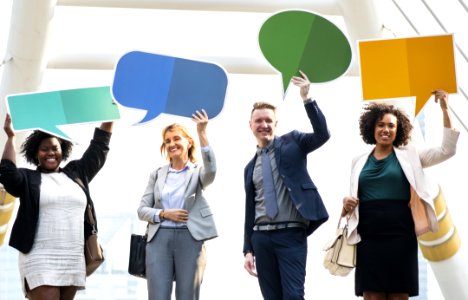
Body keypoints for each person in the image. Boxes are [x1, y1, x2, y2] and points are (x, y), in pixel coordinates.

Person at [342, 90, 459, 300]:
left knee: (398, 296)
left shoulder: (411, 155)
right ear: (372, 128)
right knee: (372, 296)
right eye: (381, 125)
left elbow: (447, 150)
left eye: (391, 126)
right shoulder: (358, 161)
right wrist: (346, 202)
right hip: (368, 235)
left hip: (400, 234)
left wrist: (444, 108)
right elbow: (354, 197)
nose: (385, 129)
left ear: (398, 130)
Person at [0, 113, 113, 300]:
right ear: (36, 154)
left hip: (71, 256)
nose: (50, 153)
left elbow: (99, 148)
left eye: (55, 148)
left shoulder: (77, 173)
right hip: (39, 257)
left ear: (63, 150)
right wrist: (11, 137)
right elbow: (7, 173)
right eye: (44, 149)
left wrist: (109, 116)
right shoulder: (29, 179)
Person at [243, 70, 331, 300]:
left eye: (268, 120)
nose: (264, 124)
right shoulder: (249, 167)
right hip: (261, 239)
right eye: (259, 120)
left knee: (293, 296)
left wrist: (307, 98)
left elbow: (322, 134)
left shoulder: (293, 142)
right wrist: (247, 249)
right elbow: (250, 210)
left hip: (291, 235)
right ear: (250, 125)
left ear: (275, 124)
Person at [137, 109, 216, 300]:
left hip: (190, 237)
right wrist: (164, 214)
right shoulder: (157, 174)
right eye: (167, 141)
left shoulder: (198, 172)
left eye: (176, 139)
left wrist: (202, 133)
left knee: (188, 296)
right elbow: (142, 210)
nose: (172, 144)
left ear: (188, 142)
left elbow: (211, 170)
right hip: (159, 240)